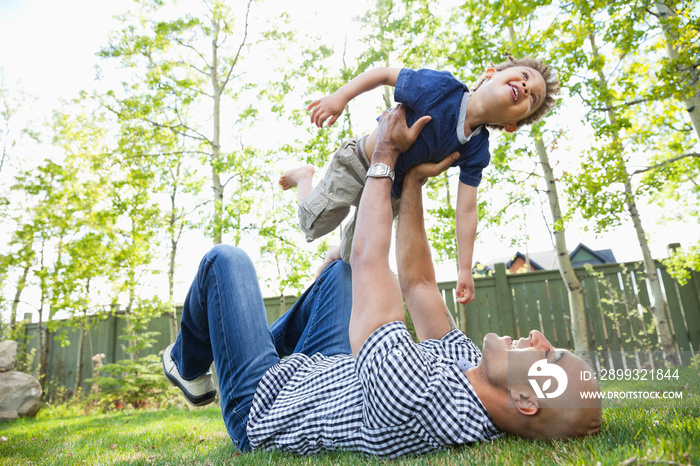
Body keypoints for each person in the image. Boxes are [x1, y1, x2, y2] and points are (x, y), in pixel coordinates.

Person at [163, 105, 601, 458]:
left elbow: (370, 257)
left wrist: (386, 157)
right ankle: (244, 346)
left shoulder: (417, 402)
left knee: (226, 261)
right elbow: (420, 286)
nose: (541, 338)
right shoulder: (473, 375)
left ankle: (189, 366)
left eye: (552, 356)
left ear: (526, 400)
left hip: (263, 405)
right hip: (324, 372)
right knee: (340, 275)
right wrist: (412, 182)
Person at [279, 57, 560, 305]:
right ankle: (304, 176)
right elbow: (384, 74)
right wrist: (340, 97)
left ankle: (333, 258)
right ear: (490, 73)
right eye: (524, 78)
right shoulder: (443, 88)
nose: (525, 88)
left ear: (511, 125)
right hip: (357, 164)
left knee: (357, 261)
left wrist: (465, 269)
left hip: (390, 194)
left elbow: (466, 209)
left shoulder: (476, 150)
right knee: (313, 225)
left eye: (531, 98)